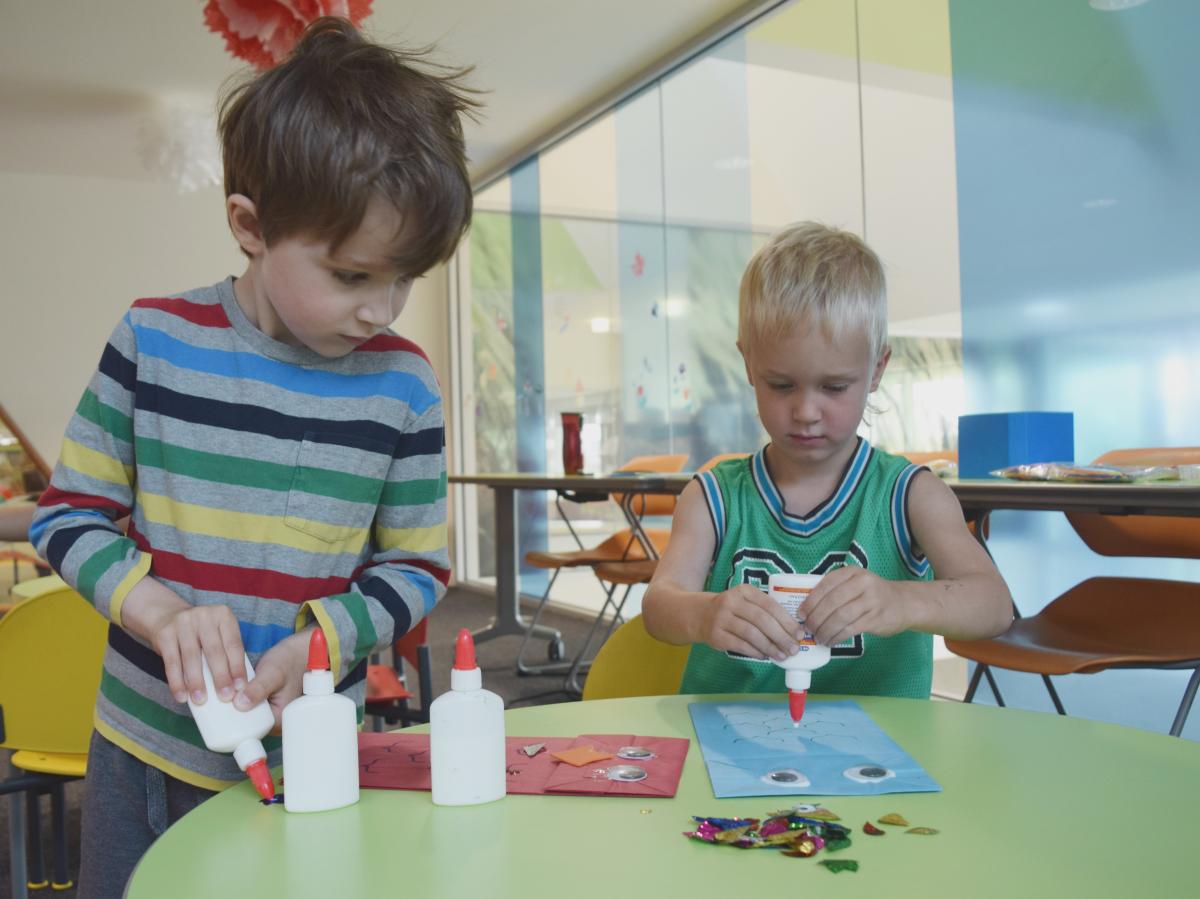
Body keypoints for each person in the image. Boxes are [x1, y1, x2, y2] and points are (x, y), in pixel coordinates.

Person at [29, 18, 475, 896]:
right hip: (142, 750)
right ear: (250, 225)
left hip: (313, 747)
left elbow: (417, 565)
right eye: (353, 275)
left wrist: (316, 644)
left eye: (406, 277)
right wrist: (157, 611)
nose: (382, 309)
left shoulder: (405, 387)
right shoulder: (152, 339)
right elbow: (67, 514)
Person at [642, 222, 1012, 699]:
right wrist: (703, 614)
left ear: (876, 369)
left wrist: (899, 600)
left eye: (834, 387)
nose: (806, 412)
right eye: (781, 385)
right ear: (749, 364)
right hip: (732, 744)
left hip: (880, 752)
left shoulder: (909, 494)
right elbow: (658, 606)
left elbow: (994, 604)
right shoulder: (714, 496)